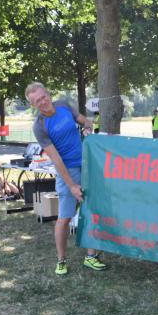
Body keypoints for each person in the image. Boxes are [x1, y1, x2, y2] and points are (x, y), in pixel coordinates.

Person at [25, 81, 107, 275]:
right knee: (64, 217)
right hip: (67, 171)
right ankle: (61, 260)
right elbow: (56, 159)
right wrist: (71, 186)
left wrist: (87, 128)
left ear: (48, 94)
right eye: (37, 101)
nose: (43, 102)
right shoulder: (39, 126)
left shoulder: (63, 105)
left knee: (91, 210)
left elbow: (86, 121)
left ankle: (91, 256)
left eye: (43, 97)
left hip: (87, 165)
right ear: (32, 104)